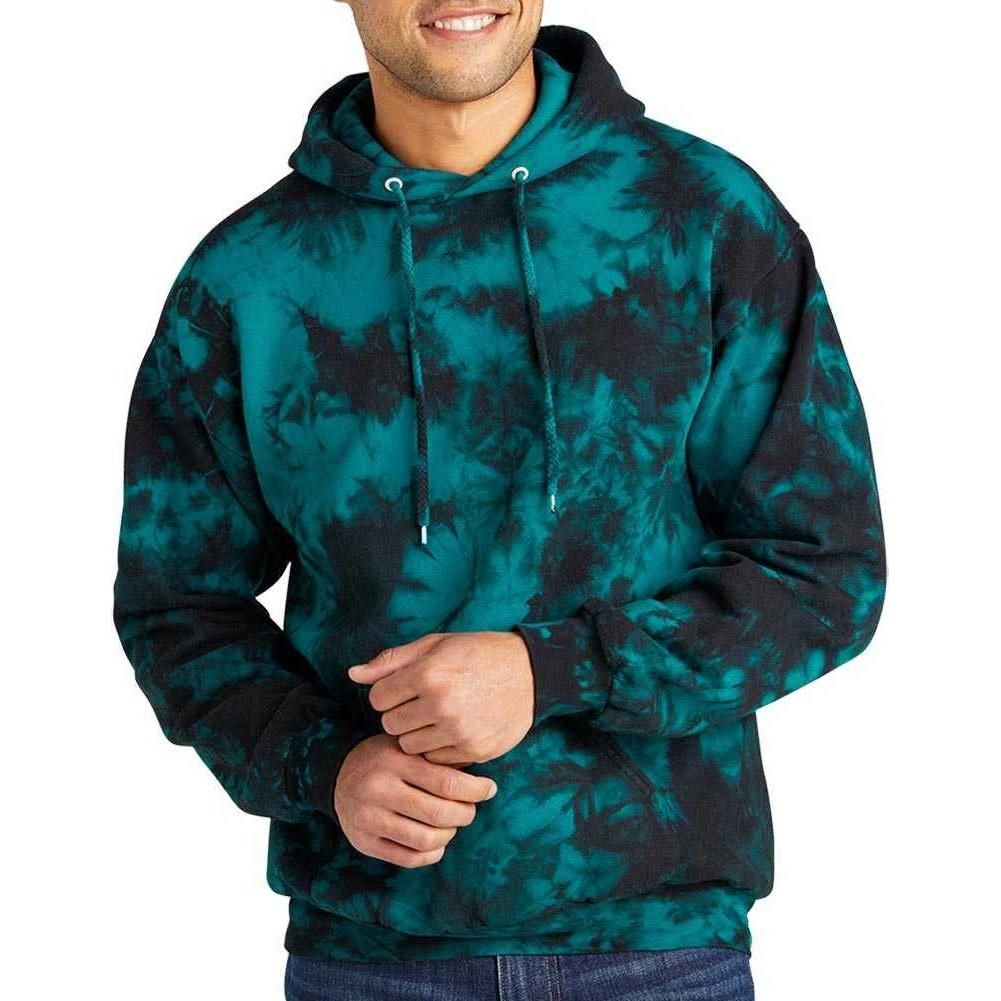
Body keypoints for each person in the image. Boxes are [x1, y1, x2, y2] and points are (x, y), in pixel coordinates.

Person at [112, 3, 887, 998]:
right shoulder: (249, 278)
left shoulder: (701, 217)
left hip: (657, 946)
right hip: (371, 955)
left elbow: (823, 568)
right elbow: (176, 605)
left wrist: (549, 667)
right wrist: (323, 766)